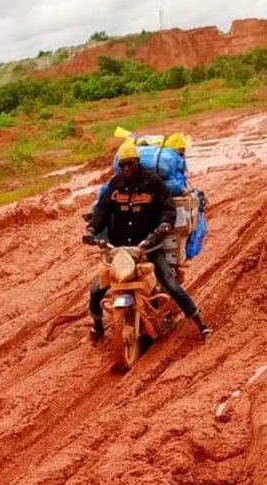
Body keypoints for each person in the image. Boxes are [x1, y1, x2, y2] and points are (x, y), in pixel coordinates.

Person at [83, 141, 212, 340]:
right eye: (123, 165)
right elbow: (102, 211)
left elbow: (167, 209)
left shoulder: (154, 183)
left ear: (138, 163)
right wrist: (92, 229)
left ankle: (200, 323)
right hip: (120, 250)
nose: (126, 169)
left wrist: (165, 225)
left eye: (130, 164)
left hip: (149, 246)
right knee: (96, 290)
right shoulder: (115, 184)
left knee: (171, 285)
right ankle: (97, 325)